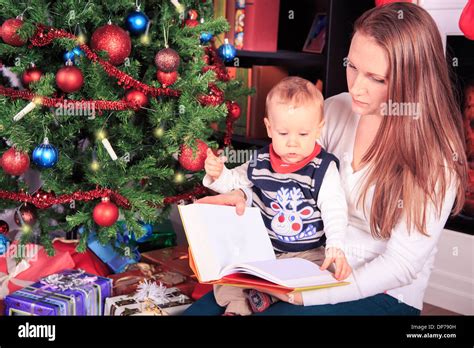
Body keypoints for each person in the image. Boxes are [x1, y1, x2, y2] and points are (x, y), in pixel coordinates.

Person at [183, 2, 468, 316]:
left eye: (377, 78)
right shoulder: (335, 110)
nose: (357, 87)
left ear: (413, 81)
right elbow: (283, 171)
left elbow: (400, 265)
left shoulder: (436, 160)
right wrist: (240, 192)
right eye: (353, 66)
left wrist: (314, 295)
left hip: (381, 291)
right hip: (305, 265)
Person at [203, 76, 351, 315]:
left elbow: (334, 207)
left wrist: (336, 245)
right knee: (229, 278)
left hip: (308, 253)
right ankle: (241, 305)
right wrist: (219, 174)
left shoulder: (322, 168)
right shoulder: (260, 162)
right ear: (269, 128)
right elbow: (234, 183)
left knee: (311, 280)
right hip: (265, 250)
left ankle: (267, 295)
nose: (292, 143)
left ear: (318, 128)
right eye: (283, 133)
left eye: (303, 134)